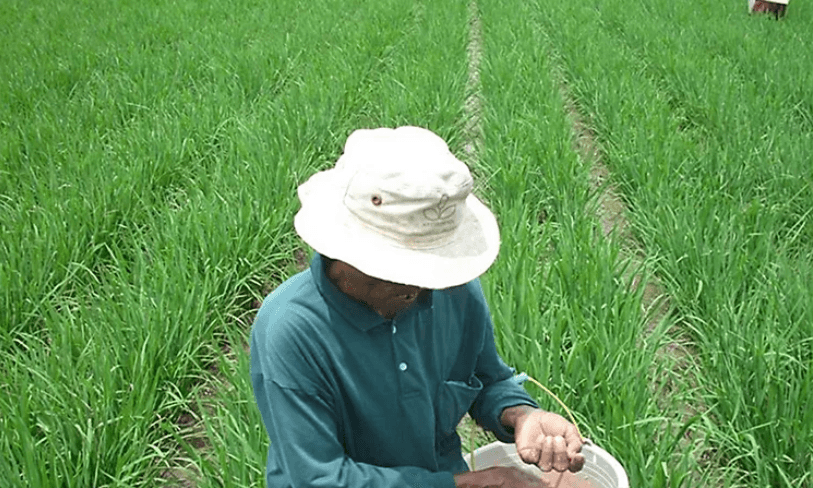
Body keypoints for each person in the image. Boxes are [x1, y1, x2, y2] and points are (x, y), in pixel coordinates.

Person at [249, 126, 587, 488]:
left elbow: (487, 379)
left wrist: (520, 415)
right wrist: (466, 484)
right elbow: (321, 478)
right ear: (346, 250)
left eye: (432, 265)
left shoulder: (450, 291)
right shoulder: (290, 331)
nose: (420, 288)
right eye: (401, 269)